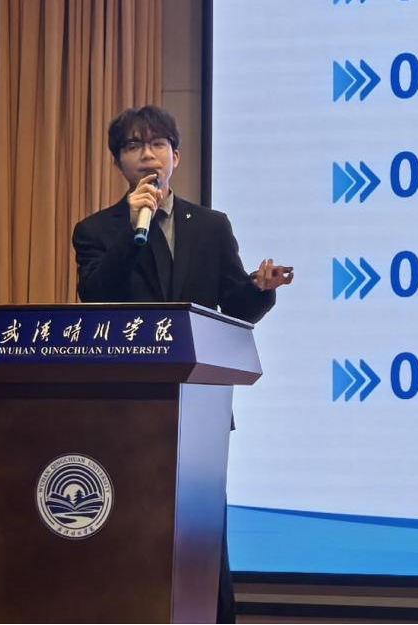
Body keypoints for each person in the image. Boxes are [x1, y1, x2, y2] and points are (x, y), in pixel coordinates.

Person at [72, 105, 293, 623]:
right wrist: (131, 232)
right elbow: (95, 297)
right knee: (130, 528)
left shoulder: (211, 227)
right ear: (117, 162)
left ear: (177, 156)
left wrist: (259, 289)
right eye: (133, 146)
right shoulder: (96, 230)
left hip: (200, 408)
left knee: (202, 532)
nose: (146, 155)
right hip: (127, 406)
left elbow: (233, 307)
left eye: (157, 144)